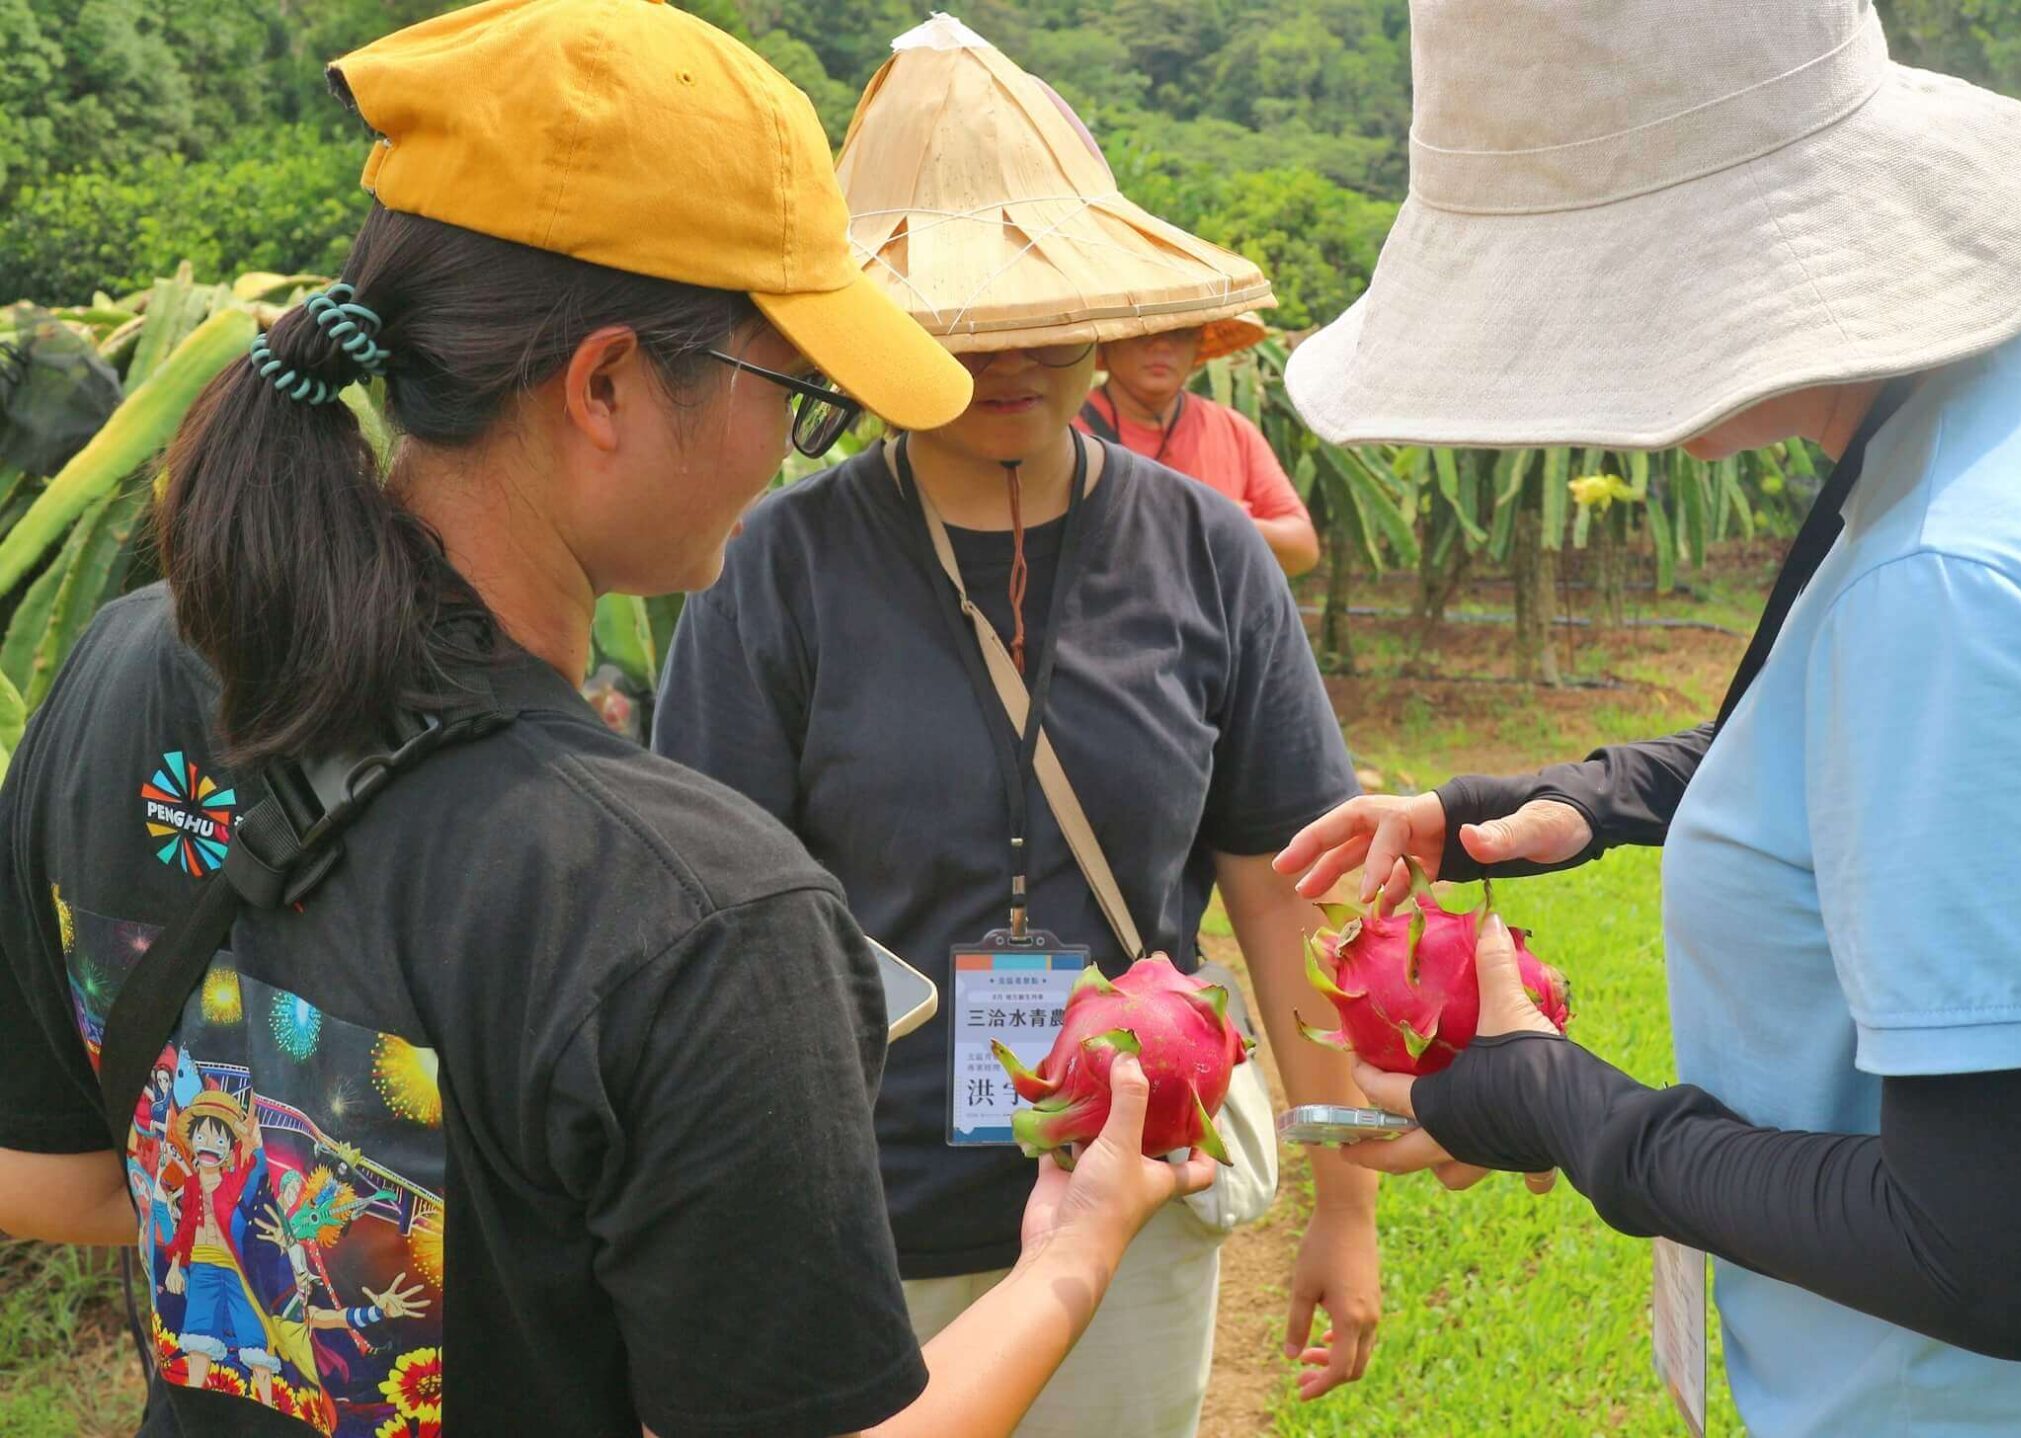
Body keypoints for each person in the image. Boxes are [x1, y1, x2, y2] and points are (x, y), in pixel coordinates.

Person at [0, 2, 1213, 1433]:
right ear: (609, 385)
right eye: (796, 393)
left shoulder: (126, 667)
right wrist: (1071, 1255)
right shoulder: (696, 912)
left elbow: (47, 1173)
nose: (785, 451)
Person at [1274, 2, 2021, 1436]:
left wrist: (1561, 1107)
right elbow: (1914, 762)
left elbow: (1993, 1254)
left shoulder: (1966, 590)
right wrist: (1590, 795)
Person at [655, 19, 1379, 1435]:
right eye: (967, 317)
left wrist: (1344, 1193)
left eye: (1050, 310)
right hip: (853, 1204)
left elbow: (1284, 895)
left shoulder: (1206, 552)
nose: (1018, 355)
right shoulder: (777, 566)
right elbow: (709, 927)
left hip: (1137, 1177)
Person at [1080, 320, 1323, 577]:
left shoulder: (1233, 431)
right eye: (1142, 330)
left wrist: (1219, 521)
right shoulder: (1066, 434)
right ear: (1108, 342)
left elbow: (1302, 549)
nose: (1161, 344)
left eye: (1180, 332)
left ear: (1197, 345)